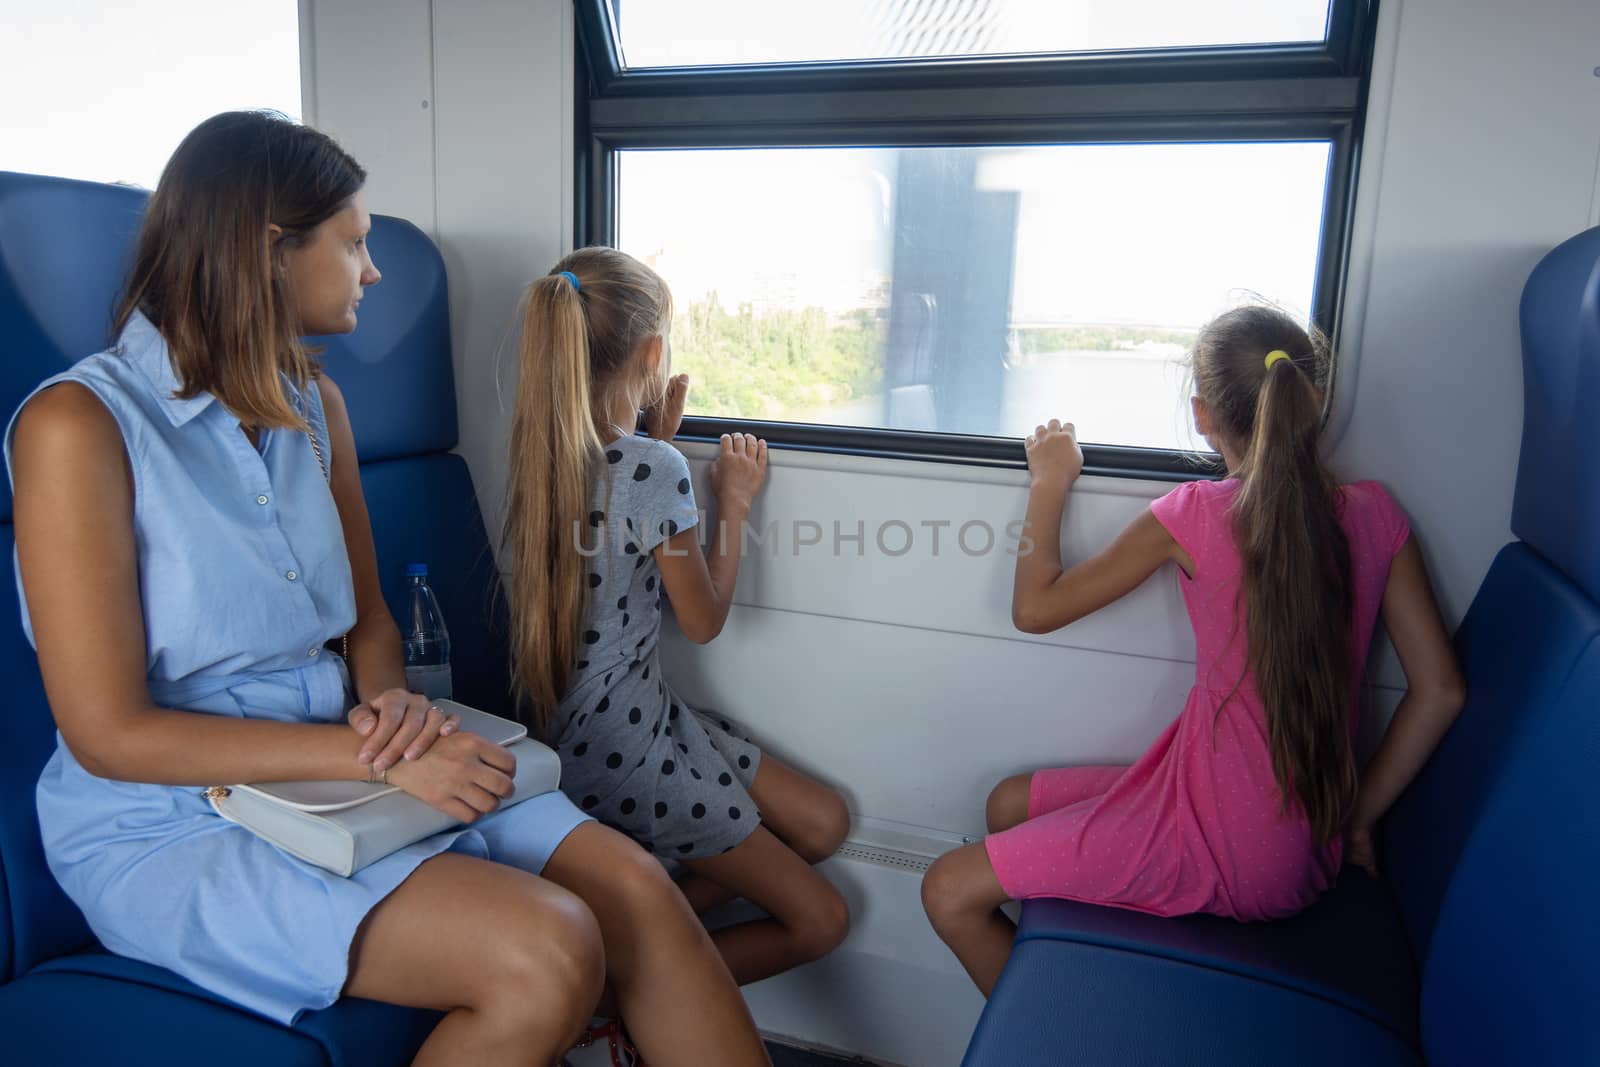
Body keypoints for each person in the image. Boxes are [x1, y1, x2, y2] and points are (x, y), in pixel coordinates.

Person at [7, 111, 769, 1067]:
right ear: (268, 249)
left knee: (636, 887)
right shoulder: (80, 425)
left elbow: (367, 619)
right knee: (549, 947)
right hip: (169, 815)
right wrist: (376, 760)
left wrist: (392, 709)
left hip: (345, 757)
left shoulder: (314, 404)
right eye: (356, 241)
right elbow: (108, 733)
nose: (372, 269)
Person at [920, 305, 1467, 996]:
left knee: (946, 889)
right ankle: (1075, 976)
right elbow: (1441, 690)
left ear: (1202, 414)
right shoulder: (1375, 512)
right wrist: (1357, 816)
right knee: (1007, 802)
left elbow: (1036, 608)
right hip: (1278, 825)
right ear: (1312, 400)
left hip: (1231, 846)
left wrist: (1049, 484)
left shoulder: (1196, 515)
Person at [504, 247, 852, 987]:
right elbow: (702, 620)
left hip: (601, 724)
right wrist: (731, 501)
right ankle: (620, 989)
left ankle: (642, 933)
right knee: (823, 919)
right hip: (627, 747)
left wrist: (657, 436)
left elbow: (611, 529)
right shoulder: (650, 470)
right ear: (653, 353)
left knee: (823, 822)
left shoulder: (546, 451)